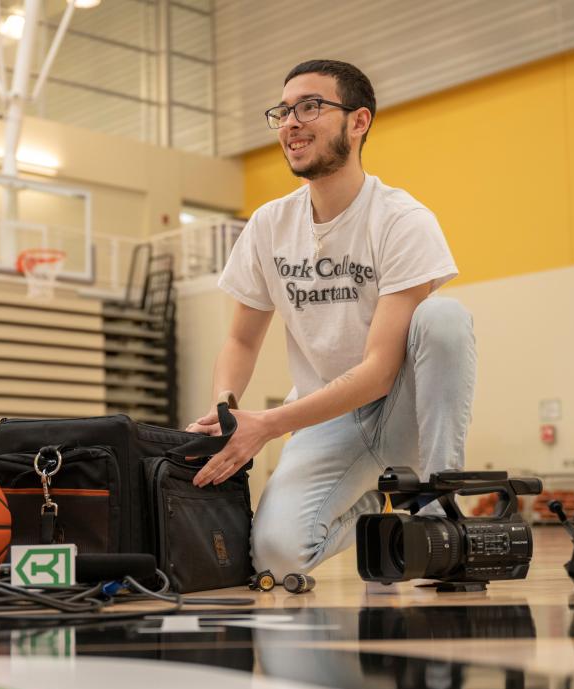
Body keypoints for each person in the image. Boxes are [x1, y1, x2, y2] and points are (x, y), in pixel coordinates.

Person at [186, 59, 476, 577]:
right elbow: (240, 340)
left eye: (310, 107)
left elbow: (381, 370)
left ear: (359, 121)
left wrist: (269, 426)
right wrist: (226, 410)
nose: (291, 122)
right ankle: (370, 503)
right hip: (326, 418)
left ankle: (435, 503)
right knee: (276, 556)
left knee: (444, 317)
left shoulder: (402, 220)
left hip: (403, 409)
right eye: (283, 111)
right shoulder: (269, 225)